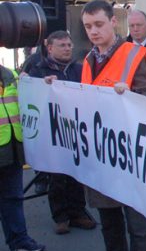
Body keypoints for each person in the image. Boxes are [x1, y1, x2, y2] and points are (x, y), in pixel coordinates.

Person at [78, 0, 146, 251]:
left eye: (99, 24)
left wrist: (131, 94)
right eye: (88, 27)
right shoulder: (87, 60)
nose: (94, 31)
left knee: (135, 220)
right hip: (101, 153)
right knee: (108, 218)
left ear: (113, 22)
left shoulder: (133, 56)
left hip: (129, 153)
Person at [28, 30, 97, 235]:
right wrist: (42, 85)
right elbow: (32, 96)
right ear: (50, 48)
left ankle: (78, 212)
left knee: (77, 173)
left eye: (69, 45)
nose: (67, 48)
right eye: (62, 45)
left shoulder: (79, 68)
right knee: (57, 175)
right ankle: (61, 216)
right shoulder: (38, 70)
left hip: (76, 130)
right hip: (53, 132)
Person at [0, 63, 46, 251]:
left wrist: (43, 85)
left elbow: (29, 99)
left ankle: (19, 240)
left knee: (13, 196)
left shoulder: (10, 74)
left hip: (12, 147)